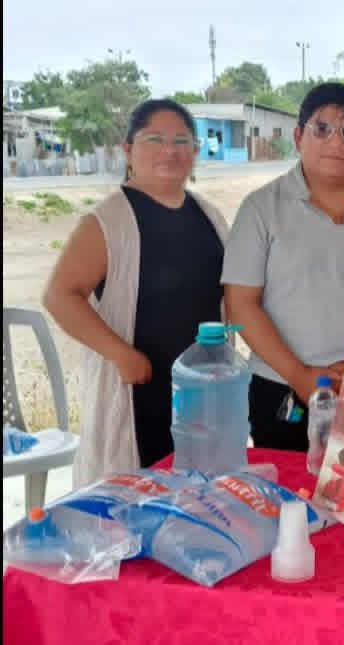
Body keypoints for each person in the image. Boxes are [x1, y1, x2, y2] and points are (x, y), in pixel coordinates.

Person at [43, 99, 228, 487]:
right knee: (135, 502)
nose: (169, 151)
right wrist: (121, 354)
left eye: (181, 141)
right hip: (137, 388)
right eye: (154, 139)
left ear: (195, 151)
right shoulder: (107, 221)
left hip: (202, 392)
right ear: (128, 150)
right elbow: (60, 296)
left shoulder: (209, 215)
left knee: (199, 498)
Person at [222, 82, 344, 451]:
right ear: (298, 137)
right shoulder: (261, 209)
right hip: (281, 387)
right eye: (322, 129)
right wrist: (299, 375)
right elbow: (241, 304)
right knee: (285, 486)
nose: (336, 143)